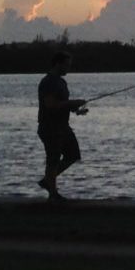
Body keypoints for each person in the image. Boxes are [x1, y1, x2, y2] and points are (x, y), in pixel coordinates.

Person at [37, 52, 88, 202]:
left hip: (63, 126)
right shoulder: (48, 82)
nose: (69, 68)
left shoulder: (61, 82)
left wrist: (76, 109)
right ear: (58, 64)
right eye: (67, 65)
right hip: (50, 127)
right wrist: (72, 103)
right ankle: (53, 194)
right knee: (53, 159)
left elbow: (62, 104)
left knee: (73, 155)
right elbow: (51, 105)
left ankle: (48, 181)